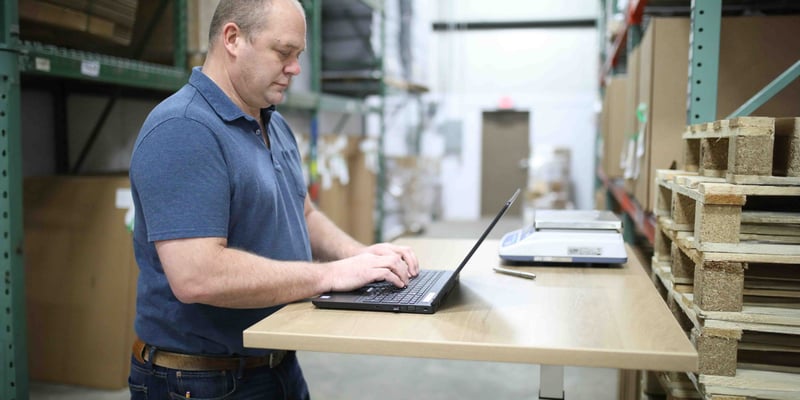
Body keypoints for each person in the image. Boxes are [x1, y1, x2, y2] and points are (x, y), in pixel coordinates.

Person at [127, 0, 419, 398]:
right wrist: (329, 276)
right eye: (283, 52)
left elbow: (303, 211)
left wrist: (364, 258)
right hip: (203, 380)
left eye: (298, 55)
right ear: (233, 39)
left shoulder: (273, 122)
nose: (295, 68)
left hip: (275, 364)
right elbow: (197, 276)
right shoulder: (184, 129)